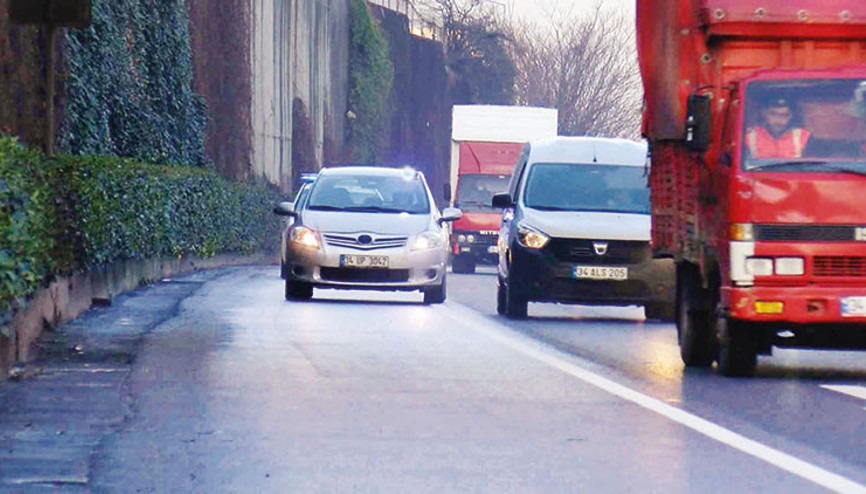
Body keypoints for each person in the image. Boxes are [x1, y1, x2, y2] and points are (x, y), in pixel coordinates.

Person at [746, 98, 811, 159]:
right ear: (764, 114)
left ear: (791, 116)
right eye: (773, 114)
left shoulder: (804, 136)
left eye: (784, 115)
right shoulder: (749, 135)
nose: (778, 120)